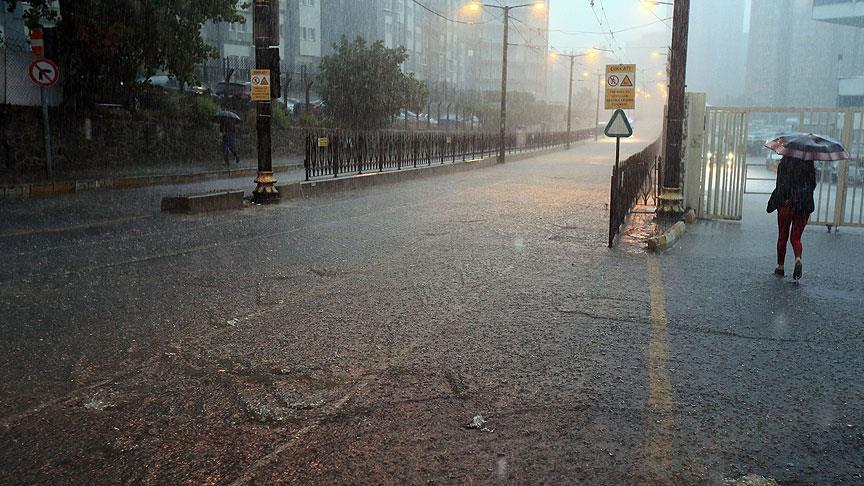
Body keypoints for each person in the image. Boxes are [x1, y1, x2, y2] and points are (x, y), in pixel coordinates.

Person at [766, 155, 816, 280]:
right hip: (803, 205)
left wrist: (785, 198)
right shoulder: (809, 164)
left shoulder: (784, 164)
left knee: (782, 236)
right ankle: (798, 259)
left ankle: (780, 267)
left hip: (786, 204)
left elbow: (780, 185)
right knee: (796, 238)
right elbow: (813, 185)